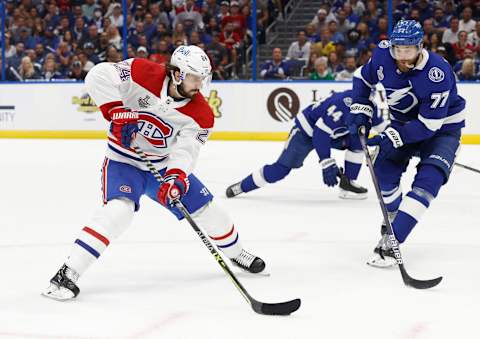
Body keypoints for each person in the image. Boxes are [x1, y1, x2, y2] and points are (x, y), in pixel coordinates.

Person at [42, 45, 266, 301]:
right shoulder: (141, 71)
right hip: (123, 161)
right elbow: (98, 75)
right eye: (195, 77)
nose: (200, 84)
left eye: (202, 78)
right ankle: (67, 273)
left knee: (212, 213)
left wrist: (176, 178)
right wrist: (116, 110)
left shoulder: (202, 113)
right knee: (119, 211)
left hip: (161, 167)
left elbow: (186, 151)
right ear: (178, 74)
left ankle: (237, 253)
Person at [346, 20, 466, 267]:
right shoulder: (382, 55)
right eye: (397, 48)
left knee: (428, 182)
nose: (401, 55)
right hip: (403, 122)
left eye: (408, 49)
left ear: (420, 46)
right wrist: (360, 109)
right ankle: (394, 214)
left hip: (442, 129)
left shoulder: (437, 73)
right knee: (382, 173)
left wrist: (392, 136)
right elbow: (362, 77)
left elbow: (429, 125)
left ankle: (394, 239)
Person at [225, 89, 386, 200]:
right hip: (306, 132)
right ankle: (242, 186)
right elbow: (320, 134)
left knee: (359, 139)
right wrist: (326, 161)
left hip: (334, 134)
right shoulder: (341, 105)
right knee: (281, 169)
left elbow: (384, 129)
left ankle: (347, 183)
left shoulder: (371, 108)